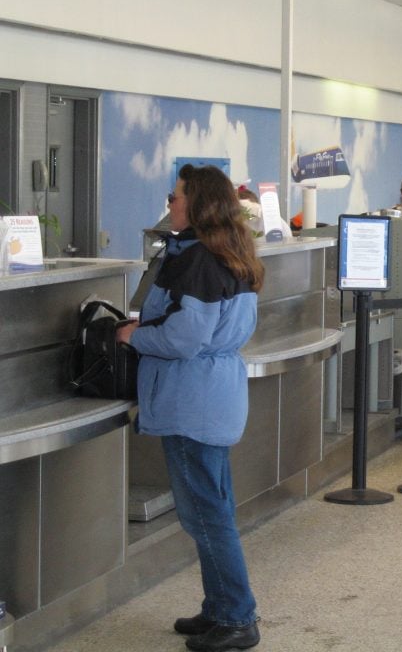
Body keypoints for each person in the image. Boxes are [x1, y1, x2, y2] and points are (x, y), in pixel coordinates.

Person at [115, 164, 265, 651]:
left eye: (176, 196)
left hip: (191, 397)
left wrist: (134, 335)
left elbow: (184, 337)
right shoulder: (227, 251)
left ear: (196, 204)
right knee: (211, 507)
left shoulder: (197, 259)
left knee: (205, 514)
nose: (170, 202)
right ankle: (219, 608)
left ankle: (238, 618)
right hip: (211, 393)